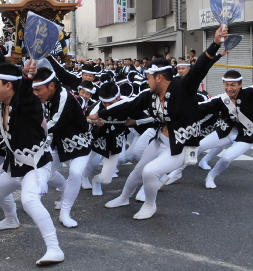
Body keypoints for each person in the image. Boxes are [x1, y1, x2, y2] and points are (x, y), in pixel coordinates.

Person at [90, 25, 228, 219]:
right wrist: (101, 114)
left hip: (181, 146)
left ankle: (150, 205)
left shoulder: (183, 87)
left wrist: (215, 44)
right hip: (160, 140)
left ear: (159, 77)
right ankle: (124, 197)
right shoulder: (151, 95)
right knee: (138, 170)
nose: (147, 81)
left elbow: (200, 68)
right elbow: (128, 106)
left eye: (148, 77)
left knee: (150, 172)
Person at [0, 61, 64, 266]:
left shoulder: (28, 103)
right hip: (16, 165)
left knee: (29, 200)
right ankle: (11, 219)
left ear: (9, 85)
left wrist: (28, 77)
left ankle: (55, 249)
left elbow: (25, 98)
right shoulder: (5, 103)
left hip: (36, 165)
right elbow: (7, 116)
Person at [31, 67, 92, 228]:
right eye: (34, 90)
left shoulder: (64, 96)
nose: (36, 93)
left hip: (78, 140)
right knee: (47, 171)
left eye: (38, 90)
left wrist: (30, 133)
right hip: (57, 140)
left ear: (51, 86)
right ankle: (65, 188)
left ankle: (65, 211)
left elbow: (54, 123)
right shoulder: (46, 96)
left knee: (76, 173)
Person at [82, 83, 128, 196]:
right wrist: (97, 126)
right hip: (96, 140)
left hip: (115, 141)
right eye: (104, 102)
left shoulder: (128, 103)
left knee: (106, 179)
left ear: (118, 97)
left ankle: (96, 181)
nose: (107, 105)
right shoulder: (94, 109)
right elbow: (86, 130)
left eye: (110, 103)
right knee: (90, 165)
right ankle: (83, 177)